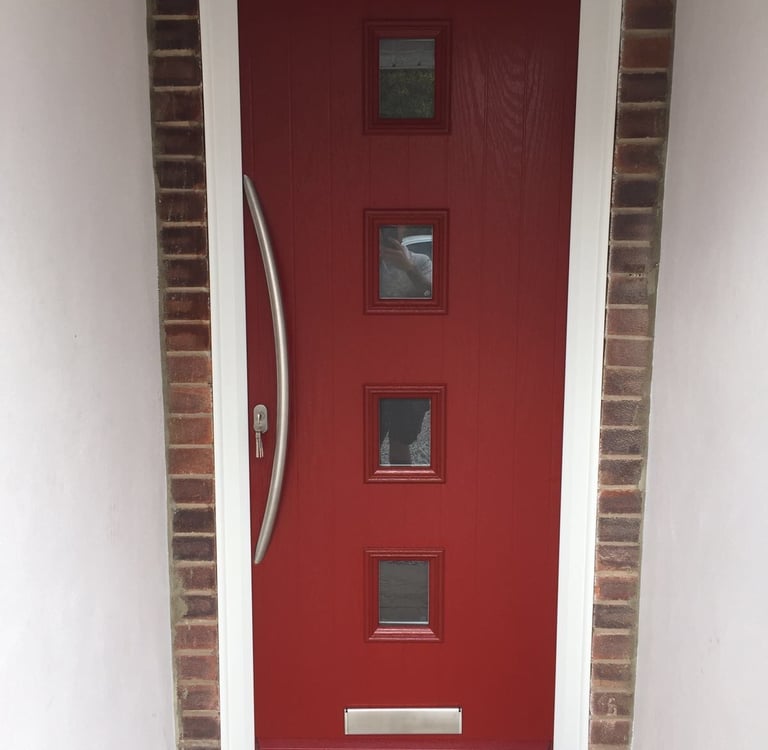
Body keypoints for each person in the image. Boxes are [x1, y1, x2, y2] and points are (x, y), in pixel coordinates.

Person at [379, 226, 432, 299]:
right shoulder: (372, 260)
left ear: (403, 230)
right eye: (385, 229)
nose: (389, 232)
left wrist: (409, 269)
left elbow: (429, 292)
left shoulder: (421, 260)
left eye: (394, 229)